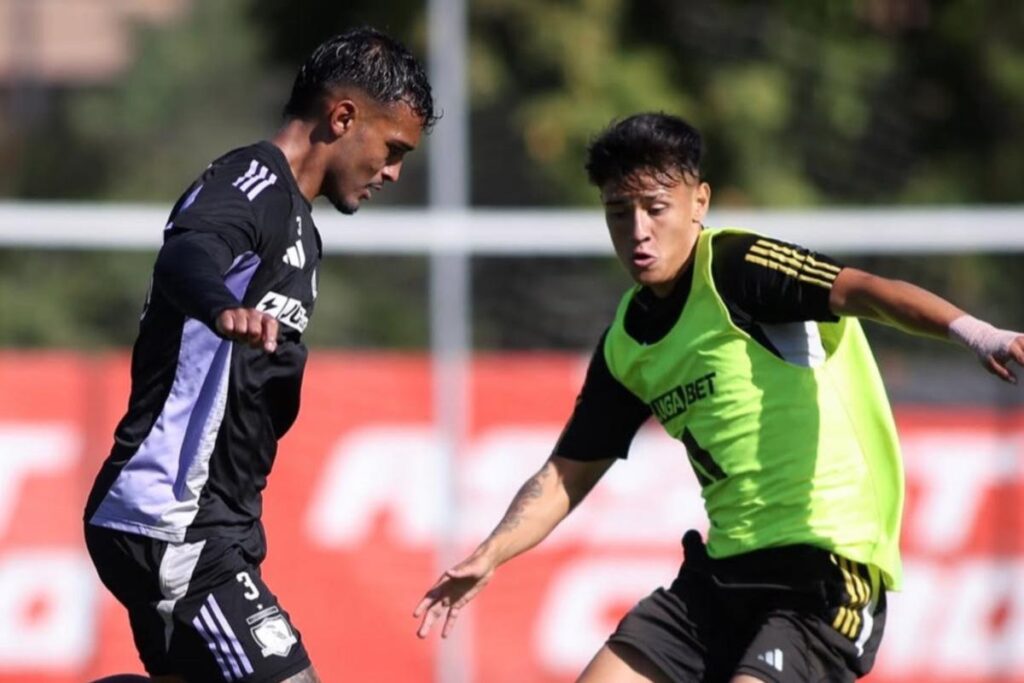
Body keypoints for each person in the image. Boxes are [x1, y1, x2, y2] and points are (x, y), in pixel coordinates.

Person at [414, 112, 1024, 682]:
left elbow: (862, 290)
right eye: (618, 213)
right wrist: (491, 553)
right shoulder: (628, 340)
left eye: (656, 208)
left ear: (698, 202)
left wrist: (977, 332)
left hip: (826, 579)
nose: (638, 232)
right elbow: (568, 472)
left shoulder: (736, 266)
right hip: (721, 580)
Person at [84, 27, 436, 683]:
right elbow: (188, 252)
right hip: (175, 519)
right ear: (342, 116)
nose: (392, 171)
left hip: (214, 521)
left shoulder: (301, 224)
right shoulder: (251, 185)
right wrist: (221, 305)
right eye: (392, 149)